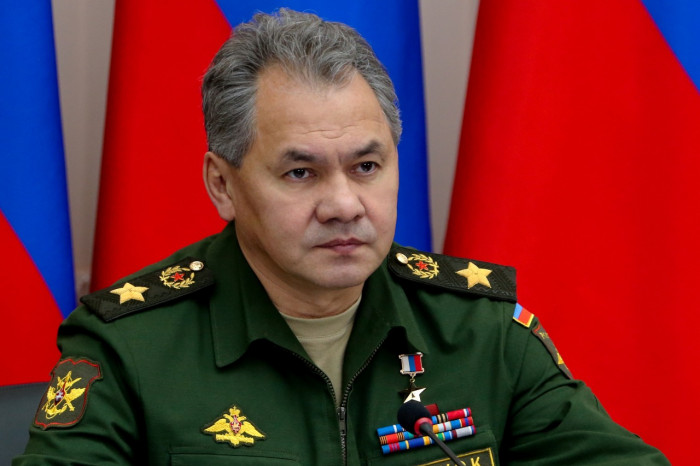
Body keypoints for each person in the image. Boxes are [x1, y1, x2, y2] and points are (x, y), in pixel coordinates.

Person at [15, 8, 669, 465]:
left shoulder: (481, 332)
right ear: (223, 185)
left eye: (367, 167)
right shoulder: (132, 347)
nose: (344, 205)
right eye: (300, 173)